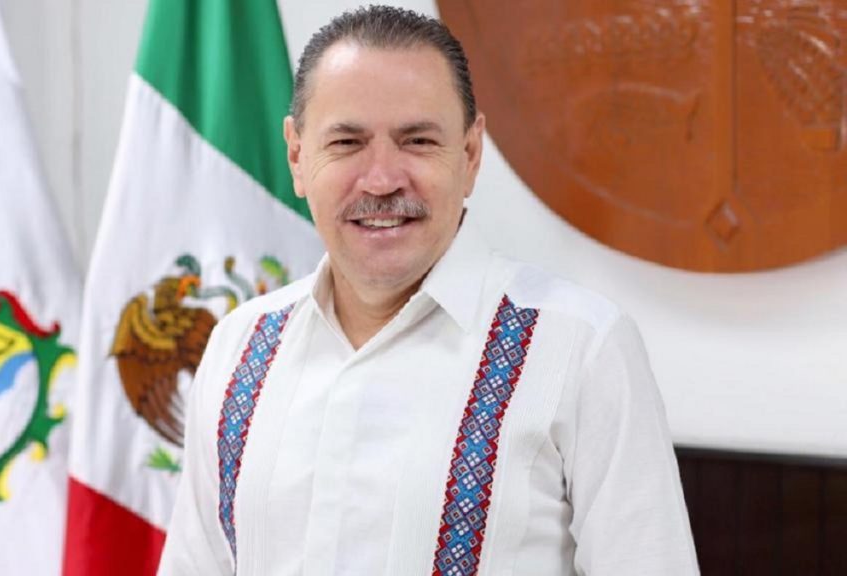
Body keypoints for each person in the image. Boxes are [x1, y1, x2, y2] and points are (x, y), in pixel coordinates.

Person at [158, 6, 698, 575]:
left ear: (470, 154)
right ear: (297, 155)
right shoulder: (239, 345)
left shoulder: (581, 349)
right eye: (347, 142)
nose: (382, 179)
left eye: (417, 140)